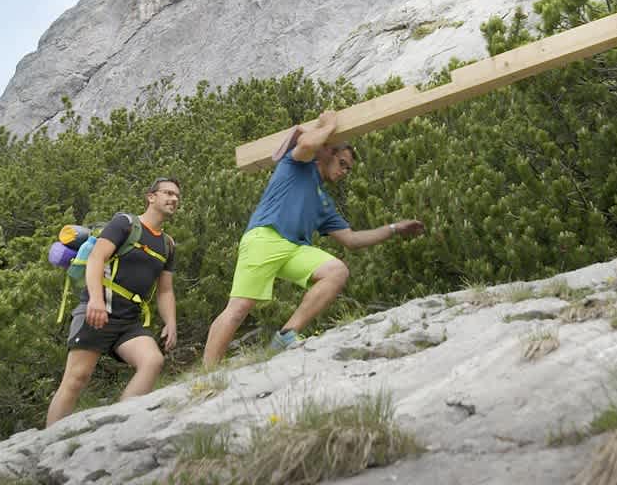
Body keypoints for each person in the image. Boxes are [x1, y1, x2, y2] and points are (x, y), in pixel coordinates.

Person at [203, 110, 424, 366]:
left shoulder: (323, 201)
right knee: (239, 308)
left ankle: (286, 335)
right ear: (328, 152)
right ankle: (207, 373)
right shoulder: (297, 163)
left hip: (295, 249)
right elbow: (307, 142)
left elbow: (351, 240)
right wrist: (329, 124)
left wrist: (395, 228)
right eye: (342, 163)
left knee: (336, 271)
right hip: (265, 237)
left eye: (348, 169)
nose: (344, 172)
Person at [46, 178, 180, 427]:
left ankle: (120, 424)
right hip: (98, 309)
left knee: (152, 360)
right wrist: (95, 299)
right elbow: (97, 257)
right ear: (151, 197)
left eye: (177, 196)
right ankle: (47, 442)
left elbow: (165, 290)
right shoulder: (125, 224)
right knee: (76, 378)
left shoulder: (168, 244)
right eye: (168, 193)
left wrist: (171, 322)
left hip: (128, 320)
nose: (173, 199)